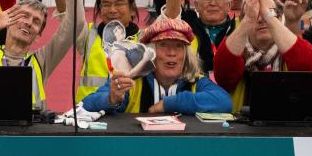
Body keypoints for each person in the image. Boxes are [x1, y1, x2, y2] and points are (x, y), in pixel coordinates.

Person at [81, 16, 232, 114]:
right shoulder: (134, 80)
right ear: (150, 53)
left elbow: (224, 102)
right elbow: (87, 104)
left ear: (186, 55)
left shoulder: (195, 81)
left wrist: (170, 104)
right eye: (163, 45)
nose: (172, 52)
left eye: (179, 46)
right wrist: (111, 98)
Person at [213, 0, 312, 112]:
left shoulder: (289, 48)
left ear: (279, 19)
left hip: (286, 127)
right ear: (242, 21)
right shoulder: (236, 48)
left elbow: (308, 67)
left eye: (269, 12)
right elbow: (223, 77)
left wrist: (270, 18)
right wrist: (249, 20)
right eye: (254, 13)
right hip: (241, 128)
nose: (261, 19)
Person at [76, 0, 141, 102]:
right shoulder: (87, 34)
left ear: (132, 9)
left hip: (127, 116)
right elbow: (66, 8)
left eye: (119, 4)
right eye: (105, 4)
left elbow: (171, 17)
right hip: (88, 114)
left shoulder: (144, 39)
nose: (112, 10)